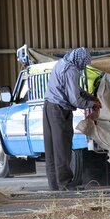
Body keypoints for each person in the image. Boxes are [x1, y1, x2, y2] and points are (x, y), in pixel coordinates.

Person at [43, 47, 102, 191]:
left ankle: (55, 186)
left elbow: (76, 90)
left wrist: (90, 96)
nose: (83, 67)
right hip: (60, 111)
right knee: (62, 148)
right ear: (80, 61)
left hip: (48, 107)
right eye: (84, 64)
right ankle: (66, 184)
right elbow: (75, 100)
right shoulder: (72, 71)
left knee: (51, 149)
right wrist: (93, 103)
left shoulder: (62, 63)